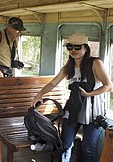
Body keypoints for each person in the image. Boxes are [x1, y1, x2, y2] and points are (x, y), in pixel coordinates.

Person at [32, 33, 112, 162]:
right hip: (74, 109)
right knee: (65, 146)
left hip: (93, 111)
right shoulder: (68, 67)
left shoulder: (95, 63)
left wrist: (89, 94)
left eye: (77, 47)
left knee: (88, 149)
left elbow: (108, 86)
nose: (73, 50)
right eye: (69, 47)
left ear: (86, 48)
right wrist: (39, 95)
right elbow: (53, 83)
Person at [0, 17, 26, 99]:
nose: (19, 33)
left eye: (20, 31)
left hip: (7, 72)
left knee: (5, 100)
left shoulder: (14, 40)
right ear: (9, 28)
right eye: (17, 30)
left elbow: (7, 57)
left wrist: (15, 63)